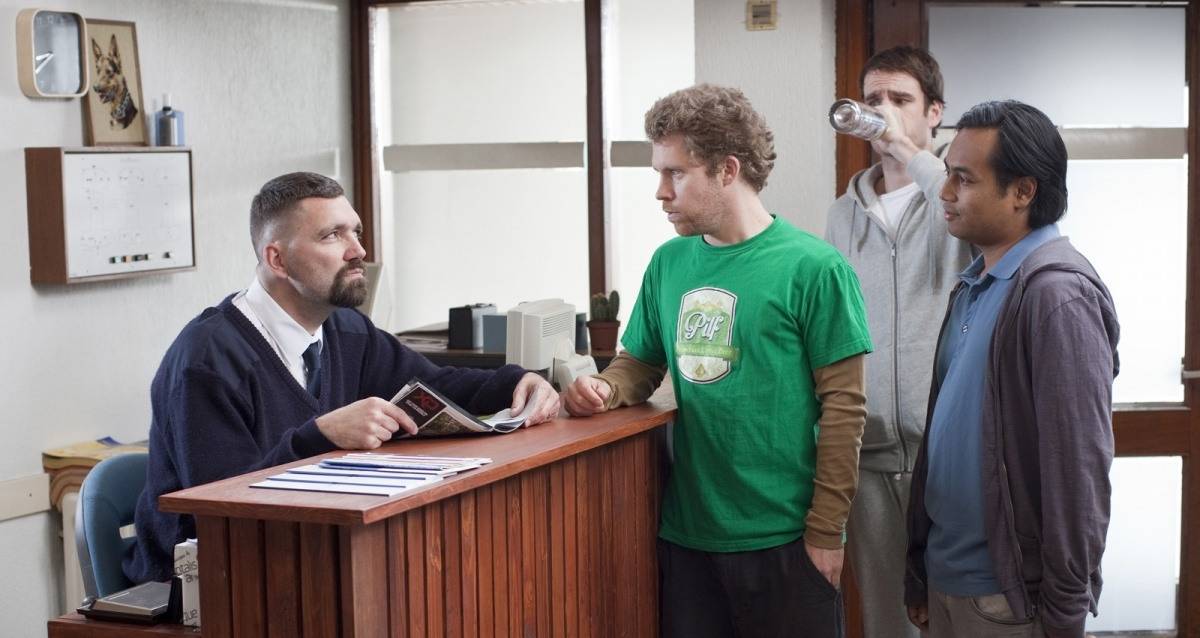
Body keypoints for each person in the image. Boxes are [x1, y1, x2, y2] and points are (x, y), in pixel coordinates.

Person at [124, 172, 560, 583]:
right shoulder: (206, 360)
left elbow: (435, 387)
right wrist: (320, 435)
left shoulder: (345, 330)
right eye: (332, 235)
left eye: (356, 232)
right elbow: (223, 508)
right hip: (210, 586)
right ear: (277, 259)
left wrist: (517, 383)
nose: (358, 251)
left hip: (310, 558)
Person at [563, 84, 873, 638]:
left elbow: (845, 412)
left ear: (728, 170)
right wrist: (605, 389)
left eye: (675, 174)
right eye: (659, 174)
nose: (661, 192)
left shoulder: (816, 269)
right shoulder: (668, 262)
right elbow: (640, 363)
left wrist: (827, 533)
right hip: (689, 540)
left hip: (786, 538)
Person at [904, 101, 1119, 637]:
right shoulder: (973, 284)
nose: (945, 192)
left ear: (1022, 191)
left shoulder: (1057, 296)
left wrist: (1064, 612)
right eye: (947, 174)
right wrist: (919, 567)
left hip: (1007, 598)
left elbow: (1077, 473)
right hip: (947, 580)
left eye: (963, 179)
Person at [823, 45, 974, 638]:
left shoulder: (959, 197)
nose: (882, 110)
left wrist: (912, 154)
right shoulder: (842, 214)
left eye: (900, 99)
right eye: (873, 99)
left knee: (961, 618)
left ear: (934, 112)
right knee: (889, 623)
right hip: (869, 457)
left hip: (950, 454)